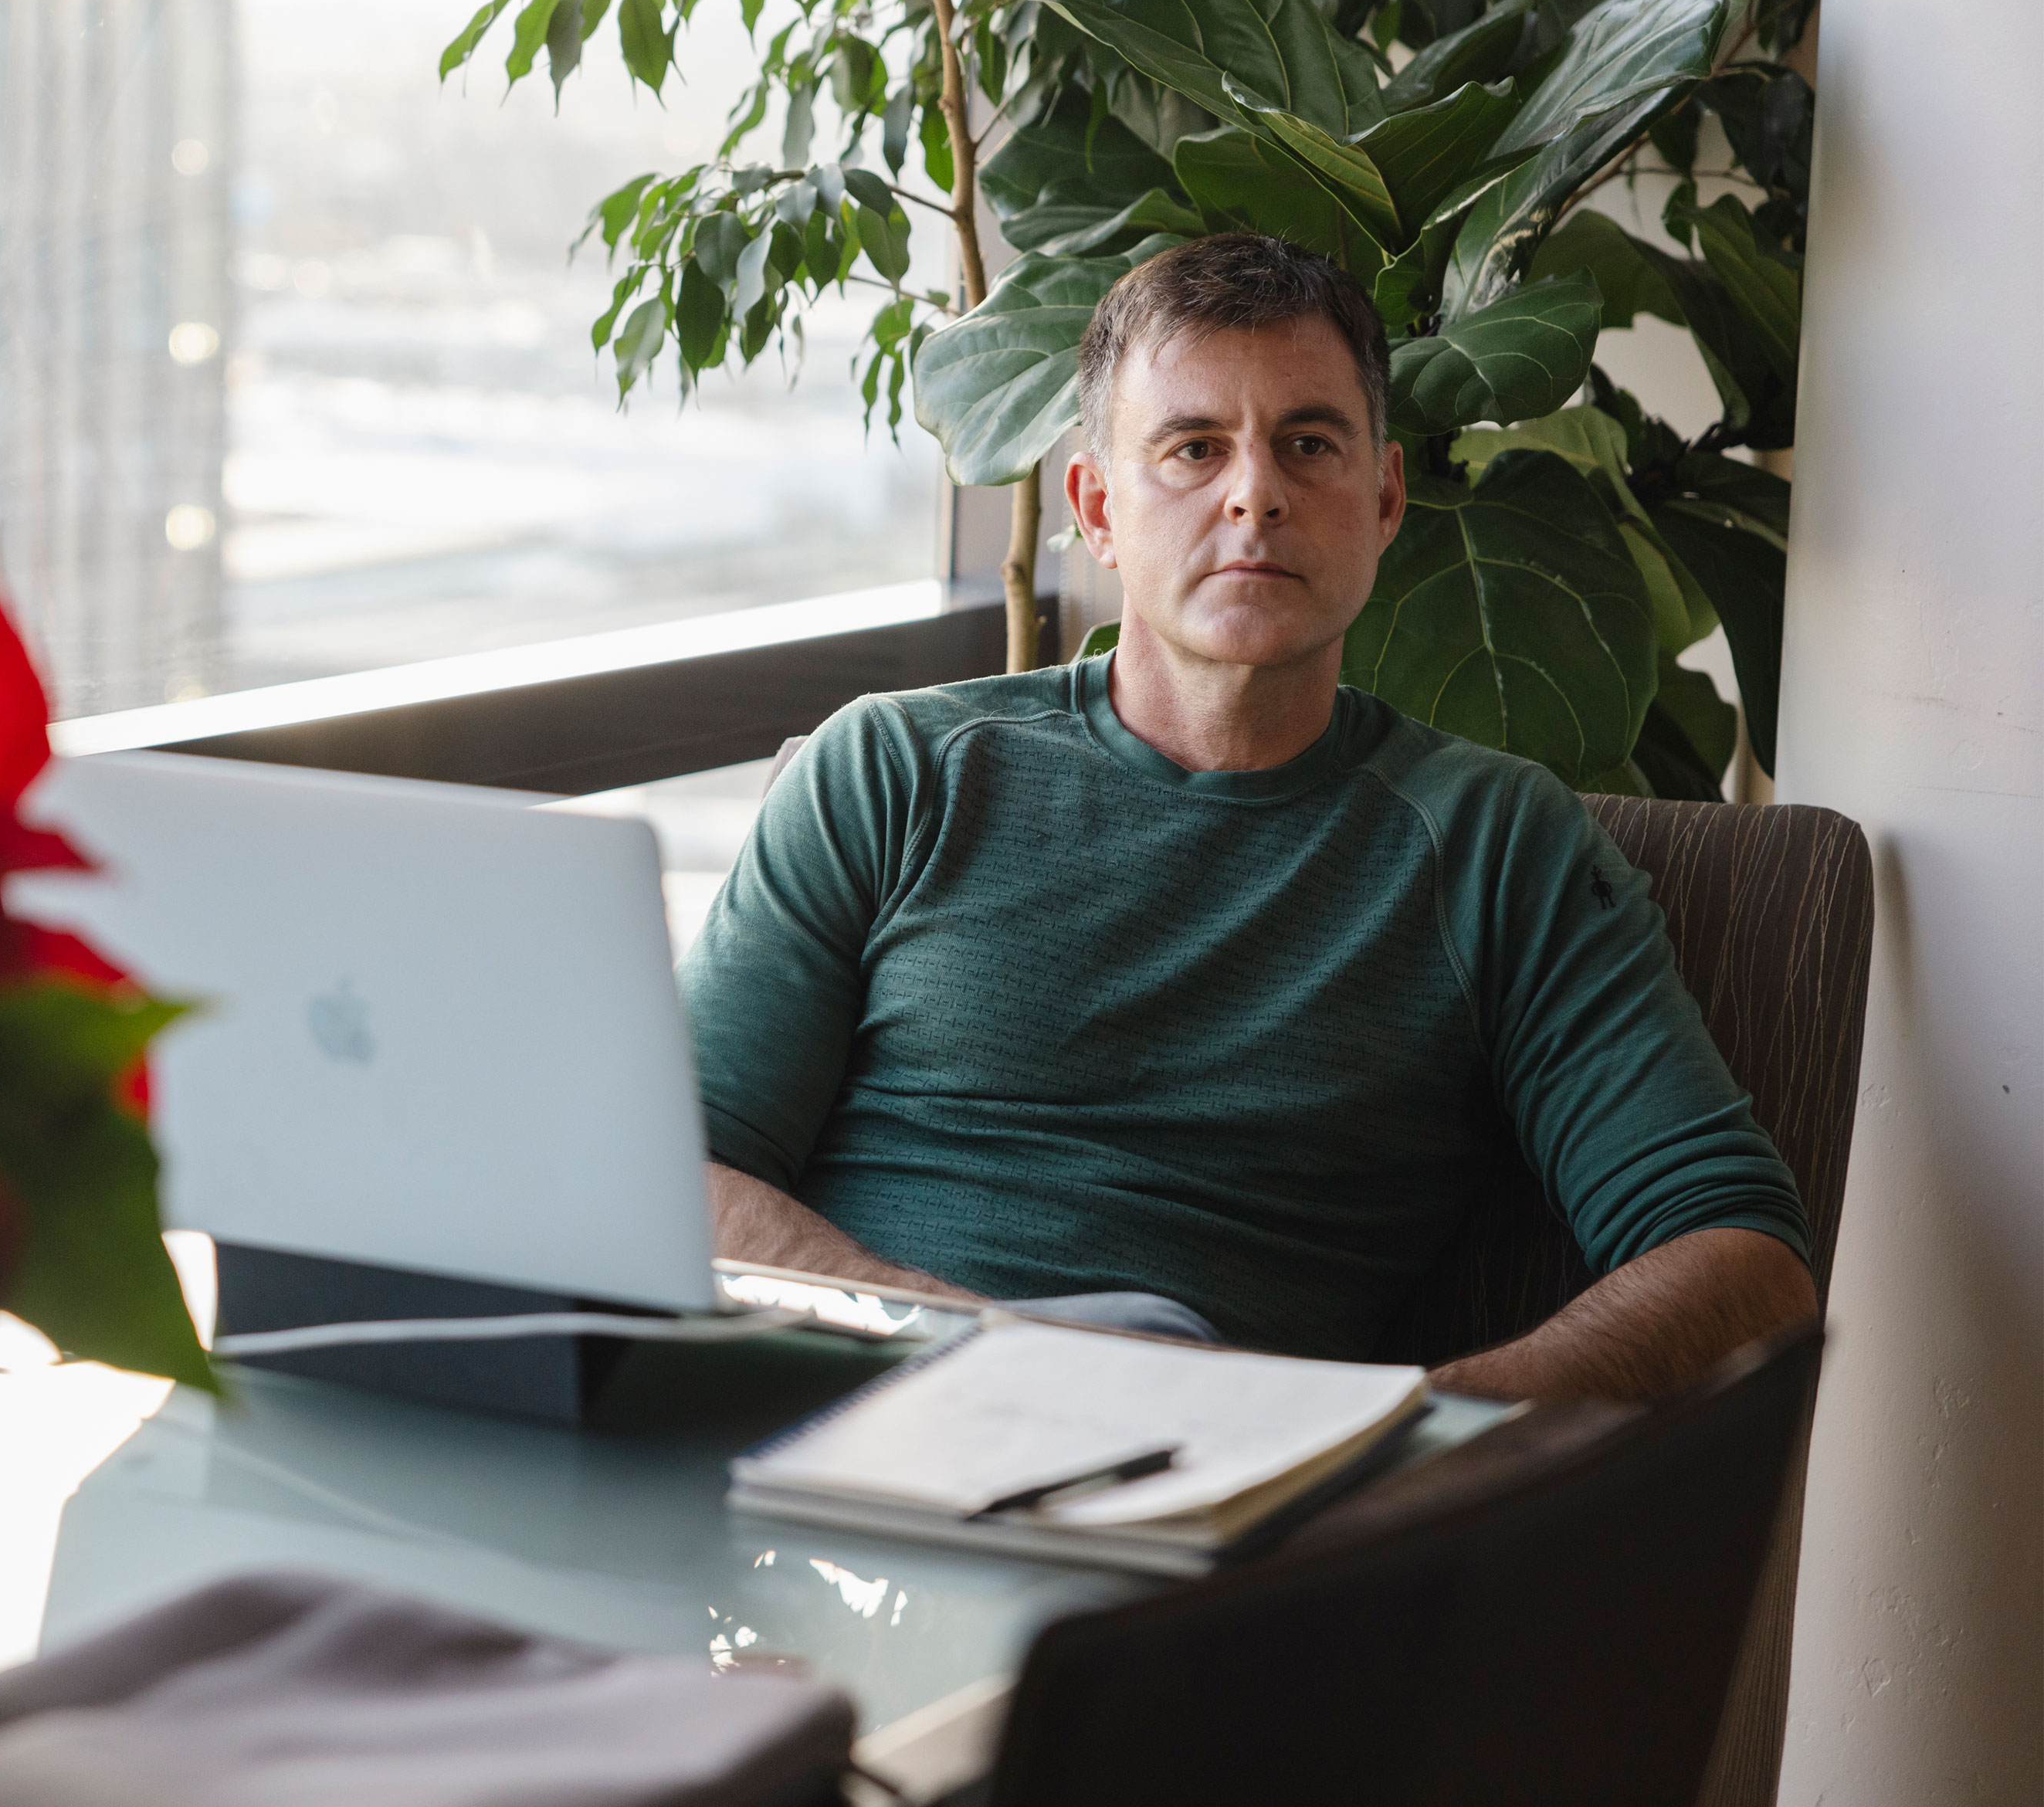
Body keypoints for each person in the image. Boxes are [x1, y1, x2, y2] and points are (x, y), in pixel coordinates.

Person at [683, 232, 1816, 1404]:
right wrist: (964, 1357)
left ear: (1383, 502)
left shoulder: (1493, 845)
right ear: (1099, 508)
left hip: (1204, 1499)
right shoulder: (896, 769)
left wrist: (1399, 1449)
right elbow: (672, 1169)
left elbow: (1741, 1256)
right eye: (1191, 448)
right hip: (835, 1425)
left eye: (1309, 444)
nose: (1255, 493)